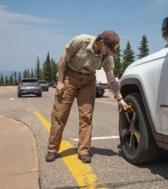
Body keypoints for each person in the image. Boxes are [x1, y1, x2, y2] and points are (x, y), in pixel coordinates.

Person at [45, 30, 128, 163]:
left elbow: (111, 79)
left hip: (88, 81)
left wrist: (120, 98)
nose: (110, 52)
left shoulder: (107, 57)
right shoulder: (81, 41)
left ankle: (83, 151)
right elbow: (63, 58)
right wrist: (60, 82)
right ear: (101, 42)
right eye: (109, 48)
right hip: (70, 77)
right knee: (60, 115)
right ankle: (52, 149)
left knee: (86, 116)